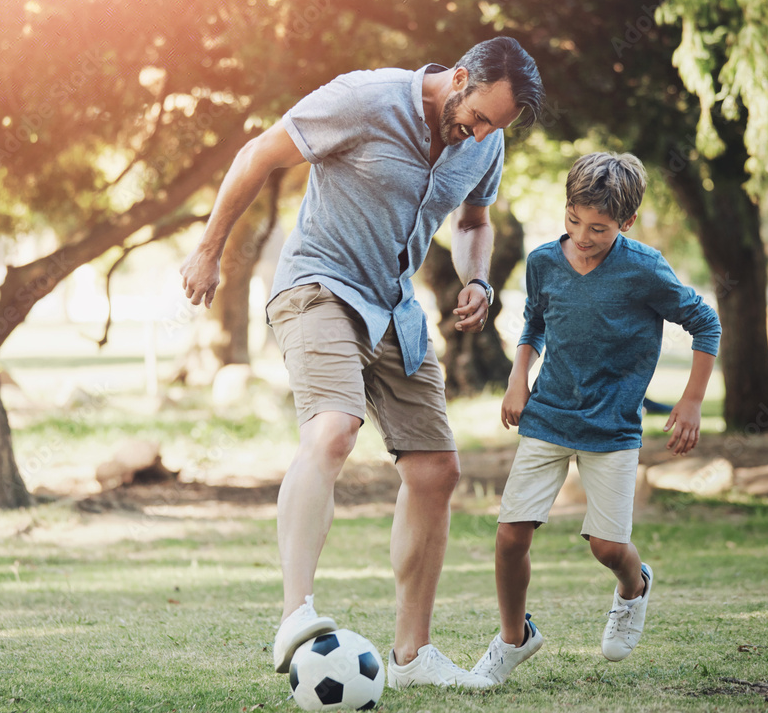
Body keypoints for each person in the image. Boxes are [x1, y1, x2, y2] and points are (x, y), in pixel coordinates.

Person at [179, 37, 544, 689]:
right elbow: (259, 154)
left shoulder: (485, 144)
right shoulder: (365, 99)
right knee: (334, 427)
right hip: (318, 285)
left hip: (394, 306)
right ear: (459, 76)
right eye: (480, 115)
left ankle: (412, 655)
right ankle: (295, 615)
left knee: (436, 469)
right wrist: (209, 249)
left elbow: (473, 221)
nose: (482, 132)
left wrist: (479, 280)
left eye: (497, 126)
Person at [471, 152, 721, 684]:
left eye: (599, 228)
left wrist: (692, 400)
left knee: (607, 547)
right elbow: (535, 323)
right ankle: (514, 637)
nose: (582, 236)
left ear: (626, 223)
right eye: (573, 220)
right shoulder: (543, 262)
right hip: (548, 415)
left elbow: (707, 325)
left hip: (612, 427)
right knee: (511, 536)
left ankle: (635, 586)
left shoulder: (645, 268)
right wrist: (519, 376)